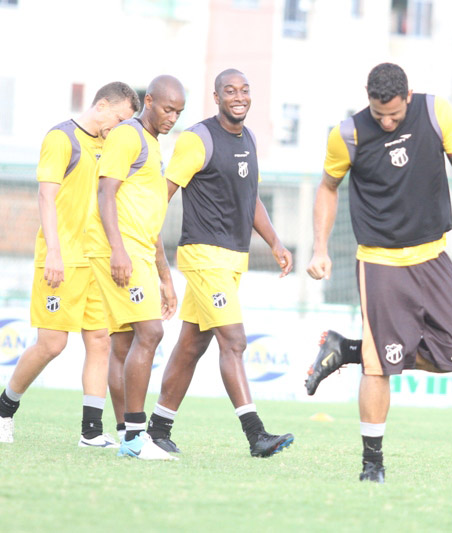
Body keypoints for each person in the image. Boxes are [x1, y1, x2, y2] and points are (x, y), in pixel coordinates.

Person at [304, 63, 452, 483]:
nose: (387, 122)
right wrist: (320, 248)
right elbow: (327, 187)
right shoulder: (348, 134)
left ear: (408, 96)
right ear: (368, 99)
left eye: (393, 114)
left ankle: (347, 350)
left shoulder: (435, 112)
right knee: (379, 368)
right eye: (379, 115)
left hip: (432, 256)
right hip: (380, 262)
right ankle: (372, 463)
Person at [145, 69, 295, 458]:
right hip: (203, 255)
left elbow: (251, 197)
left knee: (191, 345)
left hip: (233, 259)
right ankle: (256, 435)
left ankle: (156, 429)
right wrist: (143, 243)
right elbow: (163, 193)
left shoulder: (250, 138)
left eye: (245, 90)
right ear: (216, 97)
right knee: (235, 340)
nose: (239, 97)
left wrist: (276, 241)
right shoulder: (198, 139)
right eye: (230, 91)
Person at [0, 82, 139, 446]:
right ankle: (3, 409)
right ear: (103, 106)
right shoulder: (62, 139)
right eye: (120, 119)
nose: (120, 127)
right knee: (52, 345)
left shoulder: (110, 146)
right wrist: (55, 254)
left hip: (96, 262)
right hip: (62, 259)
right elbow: (46, 197)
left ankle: (91, 432)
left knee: (99, 342)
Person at [83, 75, 185, 461]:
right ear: (149, 101)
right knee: (151, 332)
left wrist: (165, 277)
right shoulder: (127, 135)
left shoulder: (154, 146)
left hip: (141, 252)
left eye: (179, 112)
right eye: (167, 108)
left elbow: (152, 218)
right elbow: (105, 191)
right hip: (120, 251)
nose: (172, 117)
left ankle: (128, 436)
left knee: (124, 344)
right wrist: (118, 251)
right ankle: (135, 438)